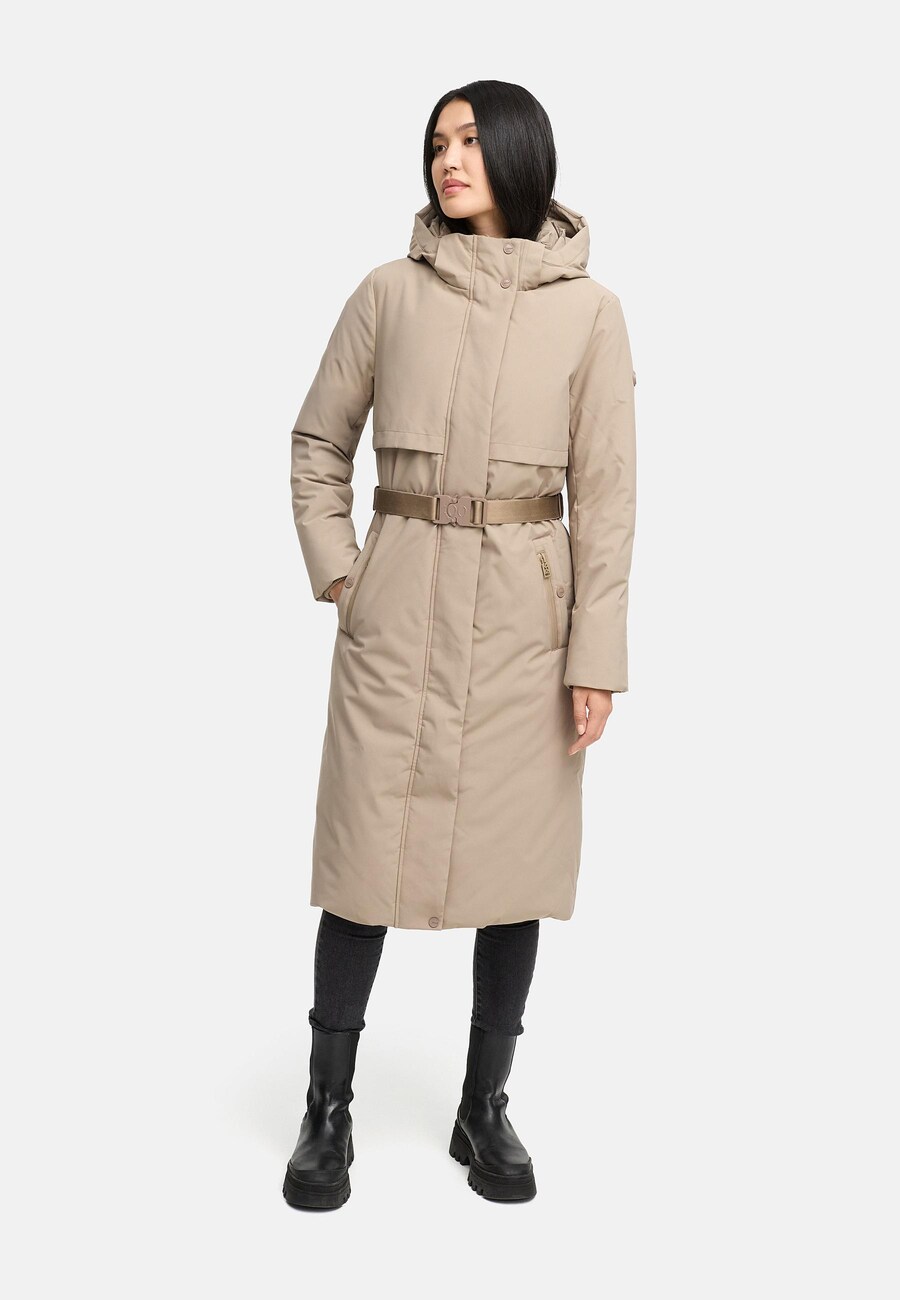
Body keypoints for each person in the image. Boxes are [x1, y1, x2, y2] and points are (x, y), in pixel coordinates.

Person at [283, 79, 637, 1209]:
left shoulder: (591, 314)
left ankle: (485, 1105)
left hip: (528, 627)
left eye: (473, 140)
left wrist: (596, 655)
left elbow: (609, 500)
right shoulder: (388, 293)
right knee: (360, 862)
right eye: (438, 142)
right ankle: (326, 1109)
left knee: (513, 867)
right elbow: (319, 440)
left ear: (521, 152)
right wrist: (345, 572)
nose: (449, 159)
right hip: (398, 610)